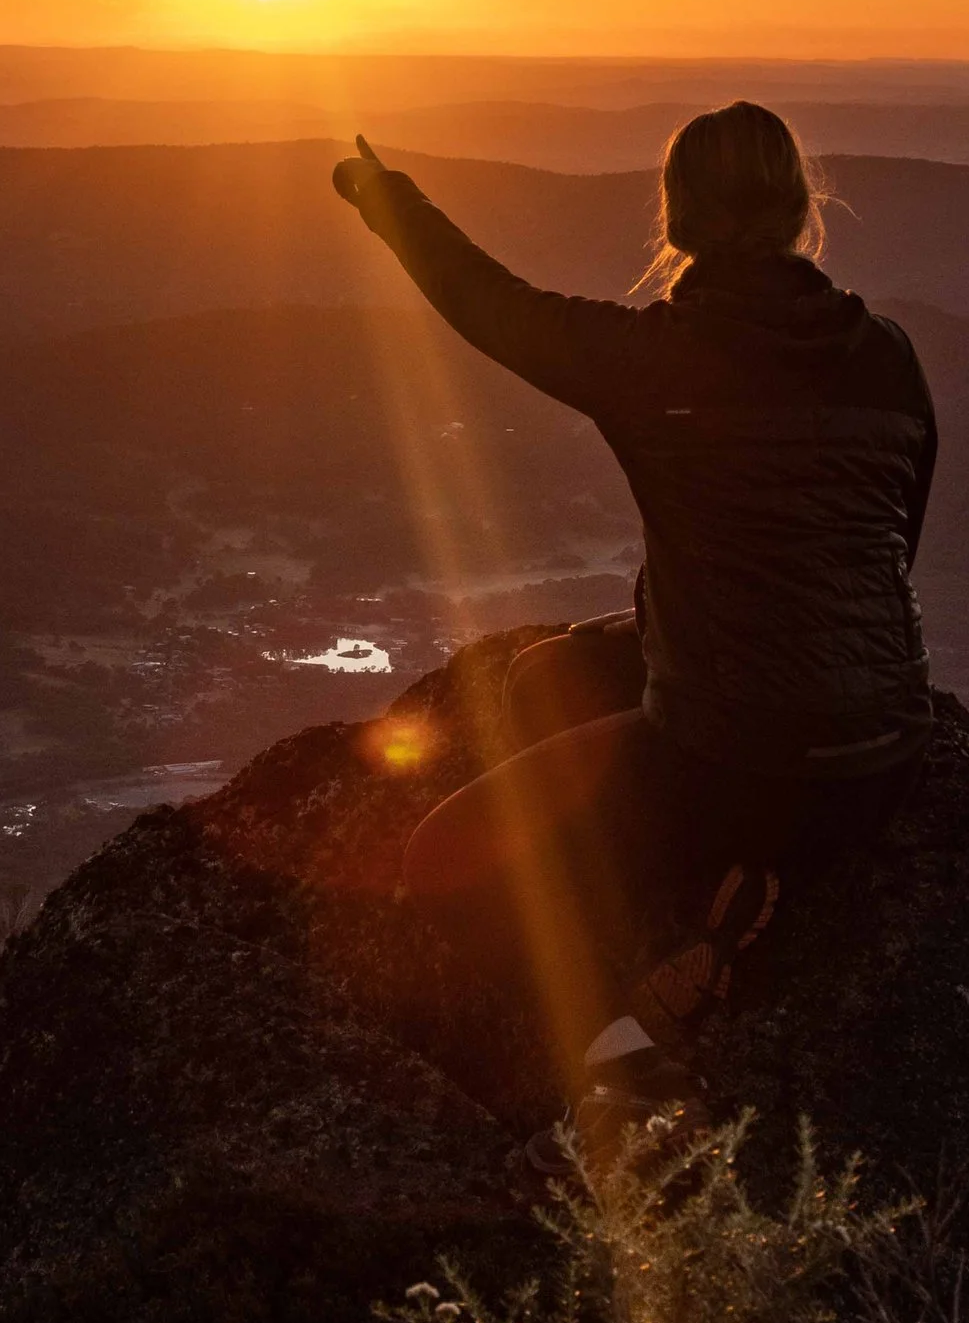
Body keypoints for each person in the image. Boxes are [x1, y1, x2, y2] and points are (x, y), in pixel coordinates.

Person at [331, 100, 936, 1147]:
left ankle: (640, 1015)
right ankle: (731, 878)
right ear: (801, 212)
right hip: (881, 757)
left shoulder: (652, 357)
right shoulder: (886, 354)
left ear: (677, 217)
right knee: (548, 679)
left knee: (442, 865)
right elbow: (884, 549)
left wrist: (388, 201)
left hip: (733, 753)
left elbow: (489, 302)